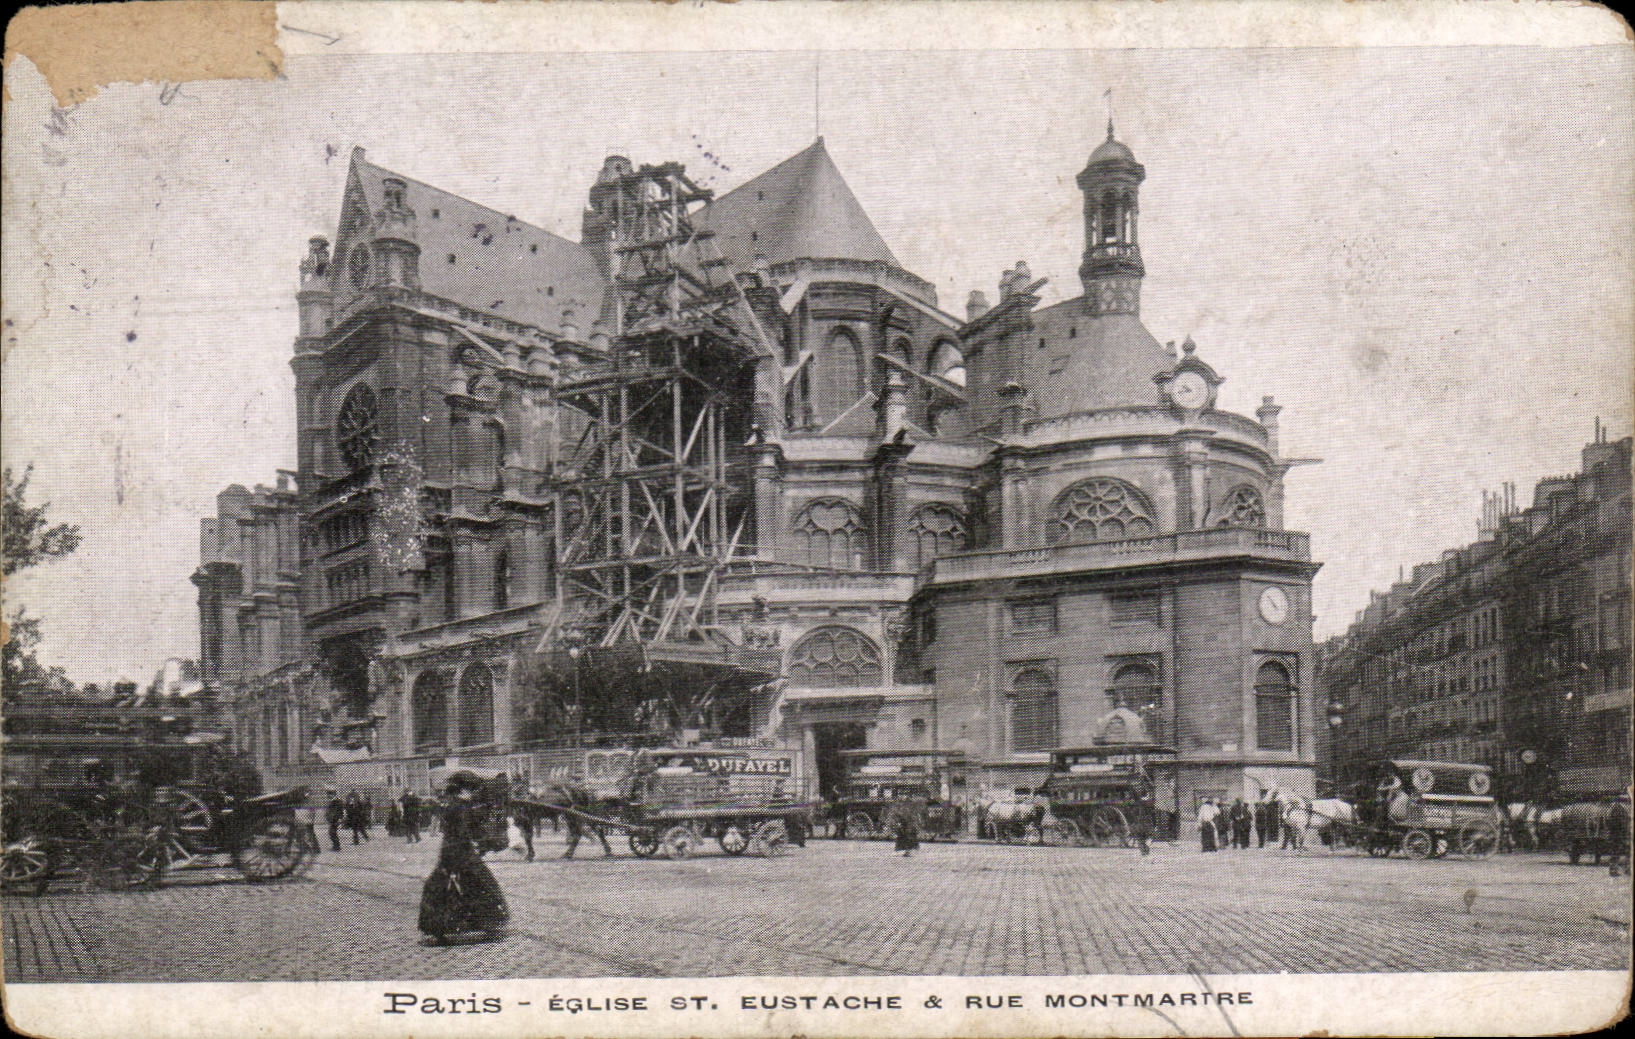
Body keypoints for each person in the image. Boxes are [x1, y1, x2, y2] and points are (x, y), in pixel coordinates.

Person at [419, 771, 509, 945]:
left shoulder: (457, 805)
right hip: (461, 852)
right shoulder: (460, 806)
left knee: (443, 886)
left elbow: (470, 823)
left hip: (450, 851)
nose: (473, 794)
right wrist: (479, 842)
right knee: (480, 885)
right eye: (472, 790)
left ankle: (439, 928)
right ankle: (488, 925)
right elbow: (465, 829)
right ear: (464, 790)